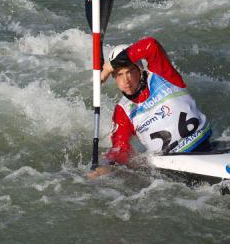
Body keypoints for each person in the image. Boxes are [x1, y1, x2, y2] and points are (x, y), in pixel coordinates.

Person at [88, 37, 212, 178]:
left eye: (130, 71)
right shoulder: (123, 111)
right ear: (114, 78)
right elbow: (120, 148)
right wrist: (107, 165)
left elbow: (150, 45)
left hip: (204, 147)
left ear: (140, 70)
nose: (126, 80)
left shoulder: (162, 75)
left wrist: (110, 66)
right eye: (119, 74)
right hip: (174, 168)